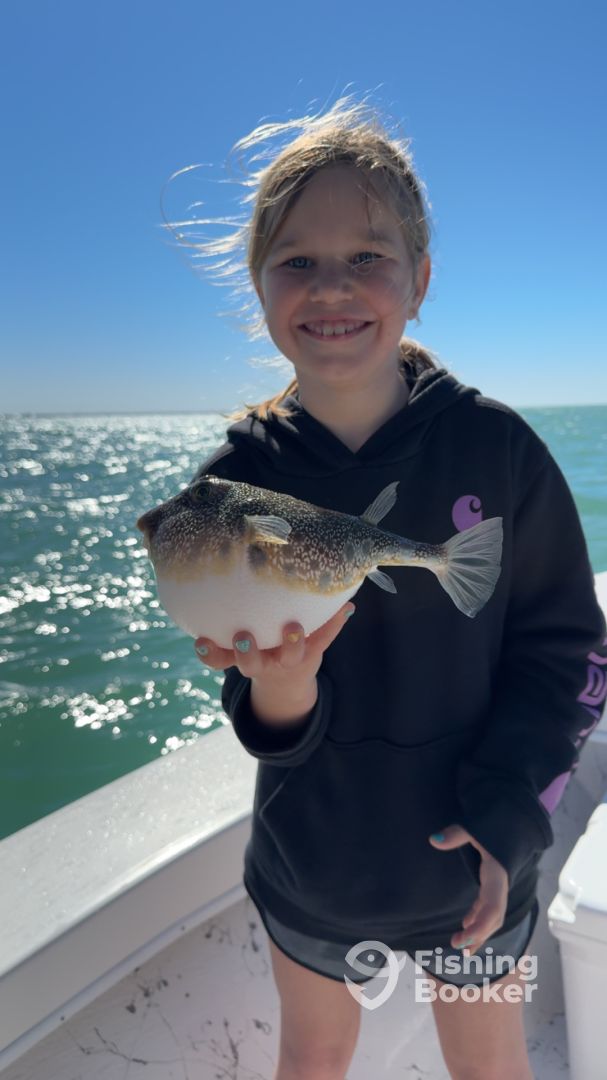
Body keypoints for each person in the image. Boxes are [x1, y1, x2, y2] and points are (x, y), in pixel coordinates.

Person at [183, 96, 607, 1080]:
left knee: (488, 1062)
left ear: (418, 280)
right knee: (312, 1058)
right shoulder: (234, 486)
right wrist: (280, 690)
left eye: (367, 255)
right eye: (296, 260)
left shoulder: (497, 449)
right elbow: (251, 690)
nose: (331, 285)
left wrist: (508, 819)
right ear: (259, 285)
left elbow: (568, 652)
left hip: (477, 858)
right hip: (312, 866)